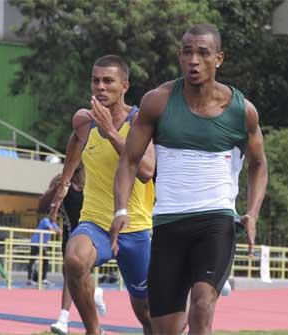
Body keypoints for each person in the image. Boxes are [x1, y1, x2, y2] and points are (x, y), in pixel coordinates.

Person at [112, 24, 268, 334]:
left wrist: (252, 212)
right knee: (164, 329)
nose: (193, 60)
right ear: (179, 57)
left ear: (219, 59)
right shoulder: (158, 102)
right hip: (169, 222)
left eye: (202, 53)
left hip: (216, 220)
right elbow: (129, 161)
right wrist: (121, 209)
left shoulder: (241, 111)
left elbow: (259, 165)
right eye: (187, 53)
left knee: (202, 303)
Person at [49, 55, 155, 335]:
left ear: (124, 86)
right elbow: (75, 142)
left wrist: (110, 131)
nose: (100, 87)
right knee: (74, 259)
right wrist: (64, 184)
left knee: (147, 315)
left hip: (136, 227)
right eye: (95, 81)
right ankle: (94, 331)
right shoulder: (84, 121)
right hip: (95, 221)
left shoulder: (140, 121)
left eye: (108, 81)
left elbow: (145, 170)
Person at [39, 166, 106, 335]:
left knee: (73, 275)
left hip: (90, 234)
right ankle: (94, 296)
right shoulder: (61, 180)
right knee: (73, 277)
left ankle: (64, 319)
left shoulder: (93, 179)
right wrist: (56, 188)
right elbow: (42, 206)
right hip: (70, 234)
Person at [27, 215, 62, 286]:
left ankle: (43, 279)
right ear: (50, 215)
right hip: (36, 242)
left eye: (56, 217)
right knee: (32, 260)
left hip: (42, 244)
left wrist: (58, 231)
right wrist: (56, 231)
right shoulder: (45, 220)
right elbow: (51, 229)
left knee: (46, 260)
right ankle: (30, 280)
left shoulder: (53, 223)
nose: (55, 218)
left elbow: (60, 232)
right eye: (54, 216)